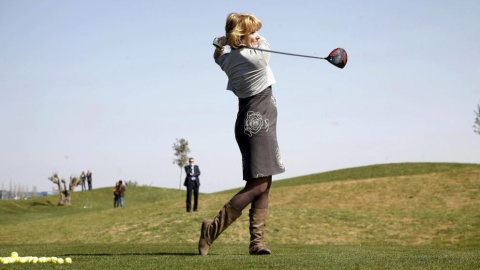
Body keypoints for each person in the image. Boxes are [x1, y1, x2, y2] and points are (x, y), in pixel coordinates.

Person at [199, 13, 285, 256]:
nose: (258, 36)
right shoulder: (254, 58)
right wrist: (240, 39)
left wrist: (222, 43)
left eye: (257, 32)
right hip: (259, 123)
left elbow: (218, 56)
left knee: (263, 184)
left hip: (251, 123)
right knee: (258, 185)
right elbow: (265, 47)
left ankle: (257, 244)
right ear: (240, 36)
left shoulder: (228, 59)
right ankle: (211, 230)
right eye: (253, 32)